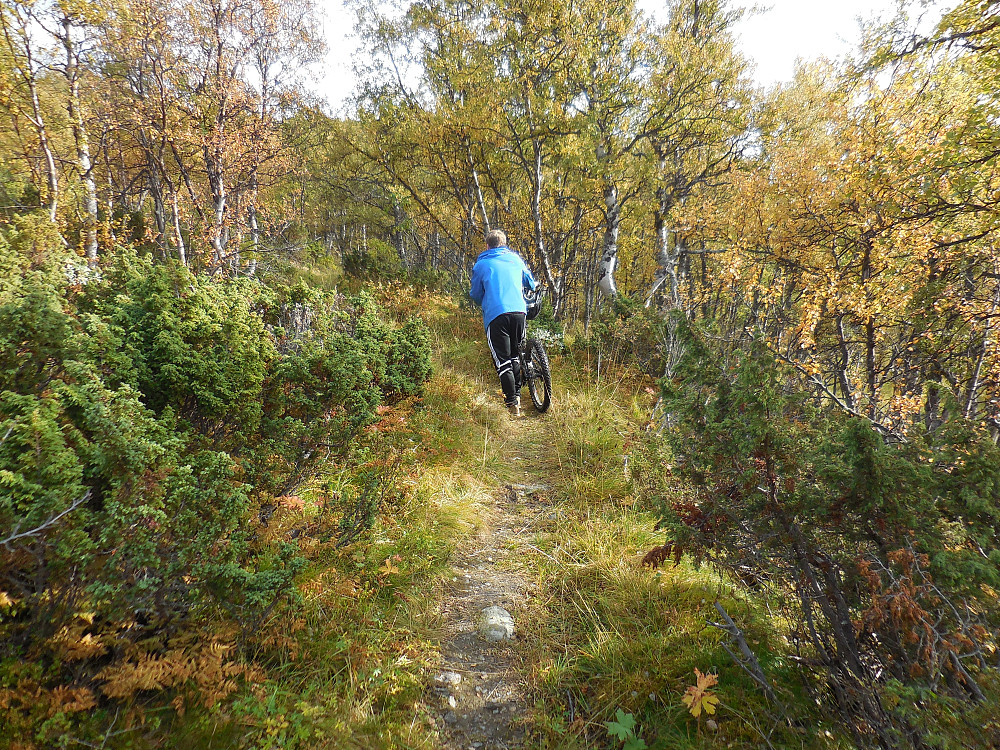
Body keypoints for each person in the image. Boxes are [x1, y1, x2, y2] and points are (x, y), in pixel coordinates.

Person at [470, 229, 537, 417]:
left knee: (503, 360)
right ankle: (517, 395)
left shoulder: (481, 264)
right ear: (505, 243)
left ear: (487, 245)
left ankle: (512, 403)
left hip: (496, 314)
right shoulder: (515, 259)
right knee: (516, 355)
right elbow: (531, 283)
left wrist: (484, 299)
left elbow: (475, 294)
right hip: (519, 312)